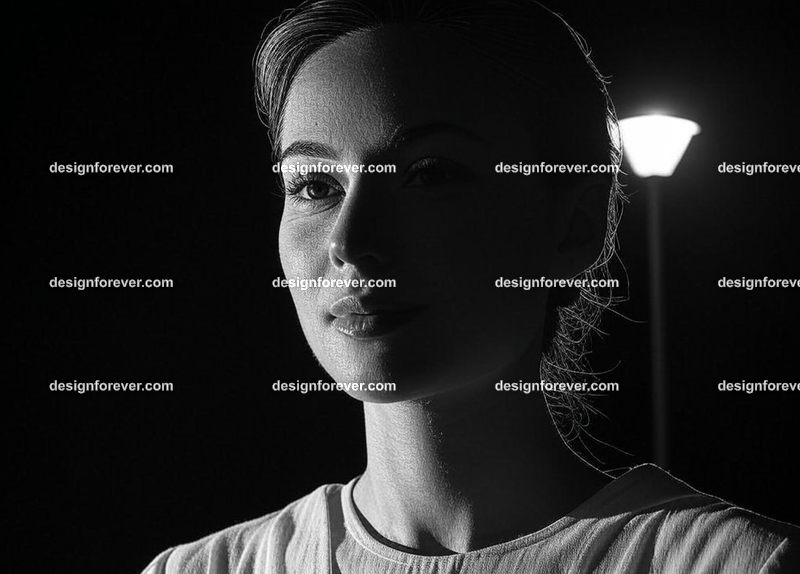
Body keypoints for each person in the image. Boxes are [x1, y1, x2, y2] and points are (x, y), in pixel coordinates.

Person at [142, 0, 799, 572]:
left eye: (429, 175)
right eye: (315, 185)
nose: (348, 240)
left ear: (573, 226)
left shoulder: (728, 562)